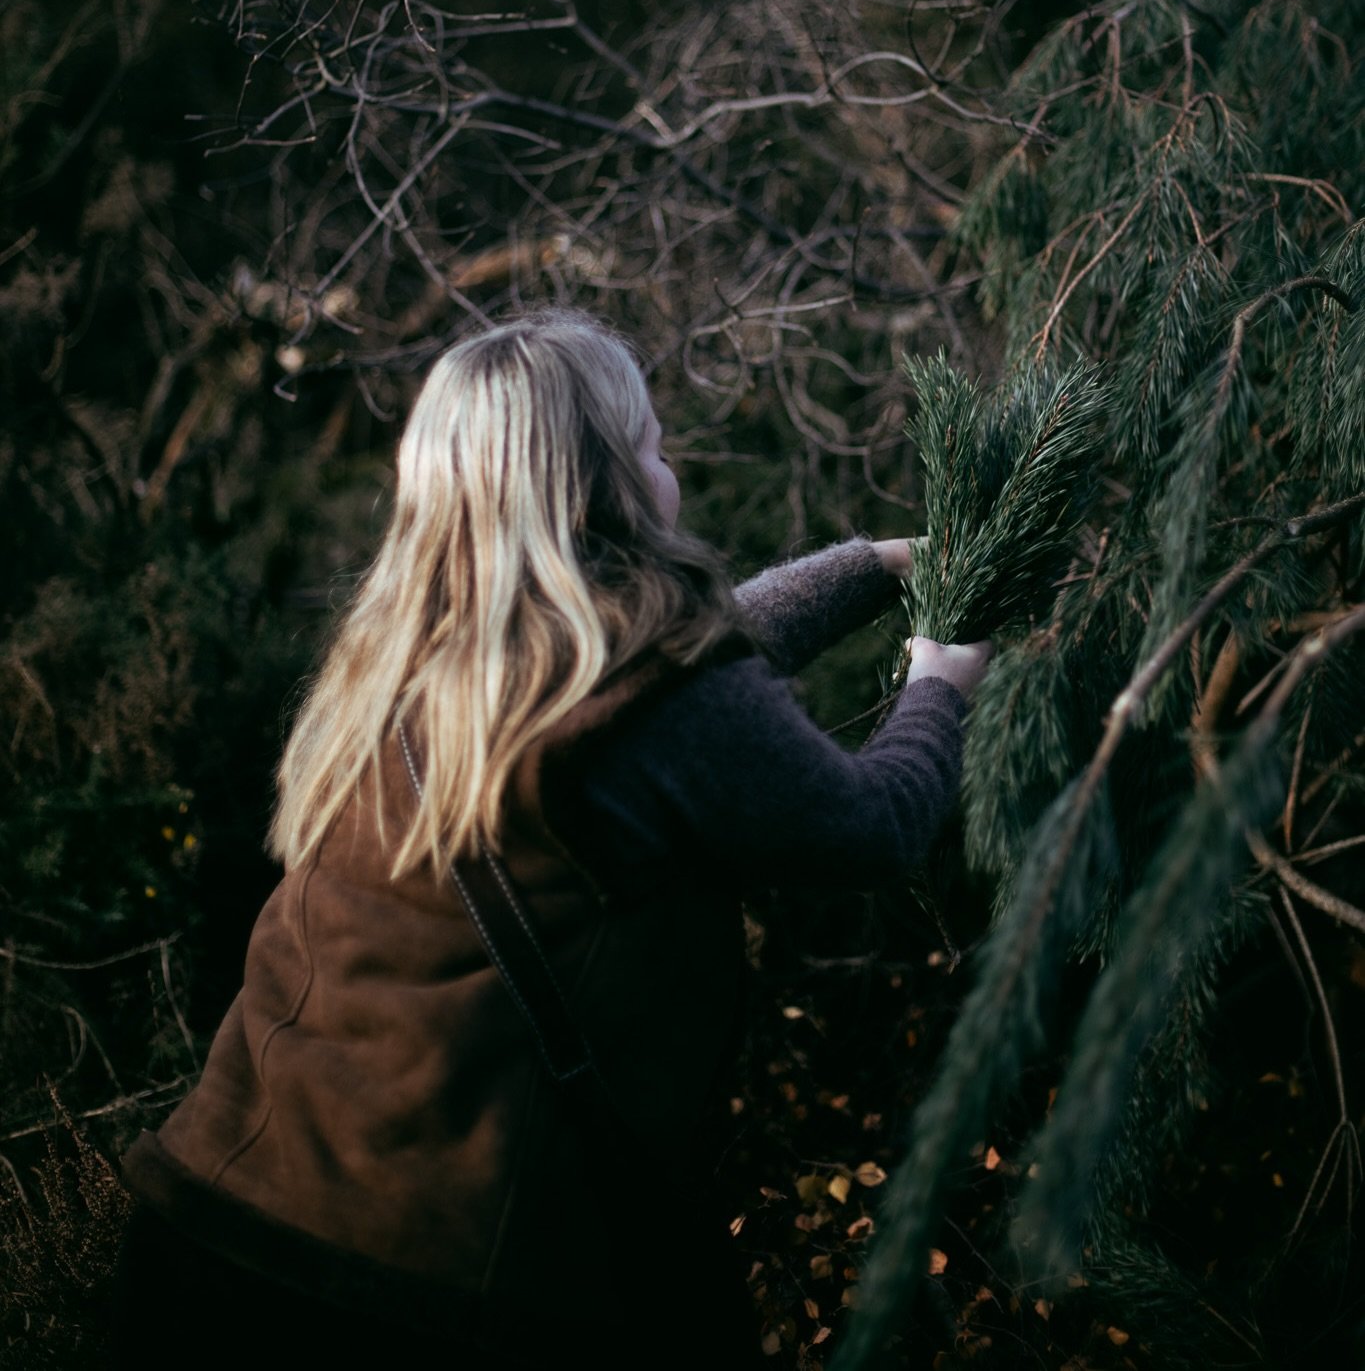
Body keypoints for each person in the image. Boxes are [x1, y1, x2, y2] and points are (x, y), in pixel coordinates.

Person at [114, 309, 991, 1369]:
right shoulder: (649, 694)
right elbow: (875, 824)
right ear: (604, 480)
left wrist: (877, 565)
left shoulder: (402, 664)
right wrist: (941, 683)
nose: (669, 470)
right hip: (416, 1298)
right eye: (652, 446)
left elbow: (675, 673)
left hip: (203, 1232)